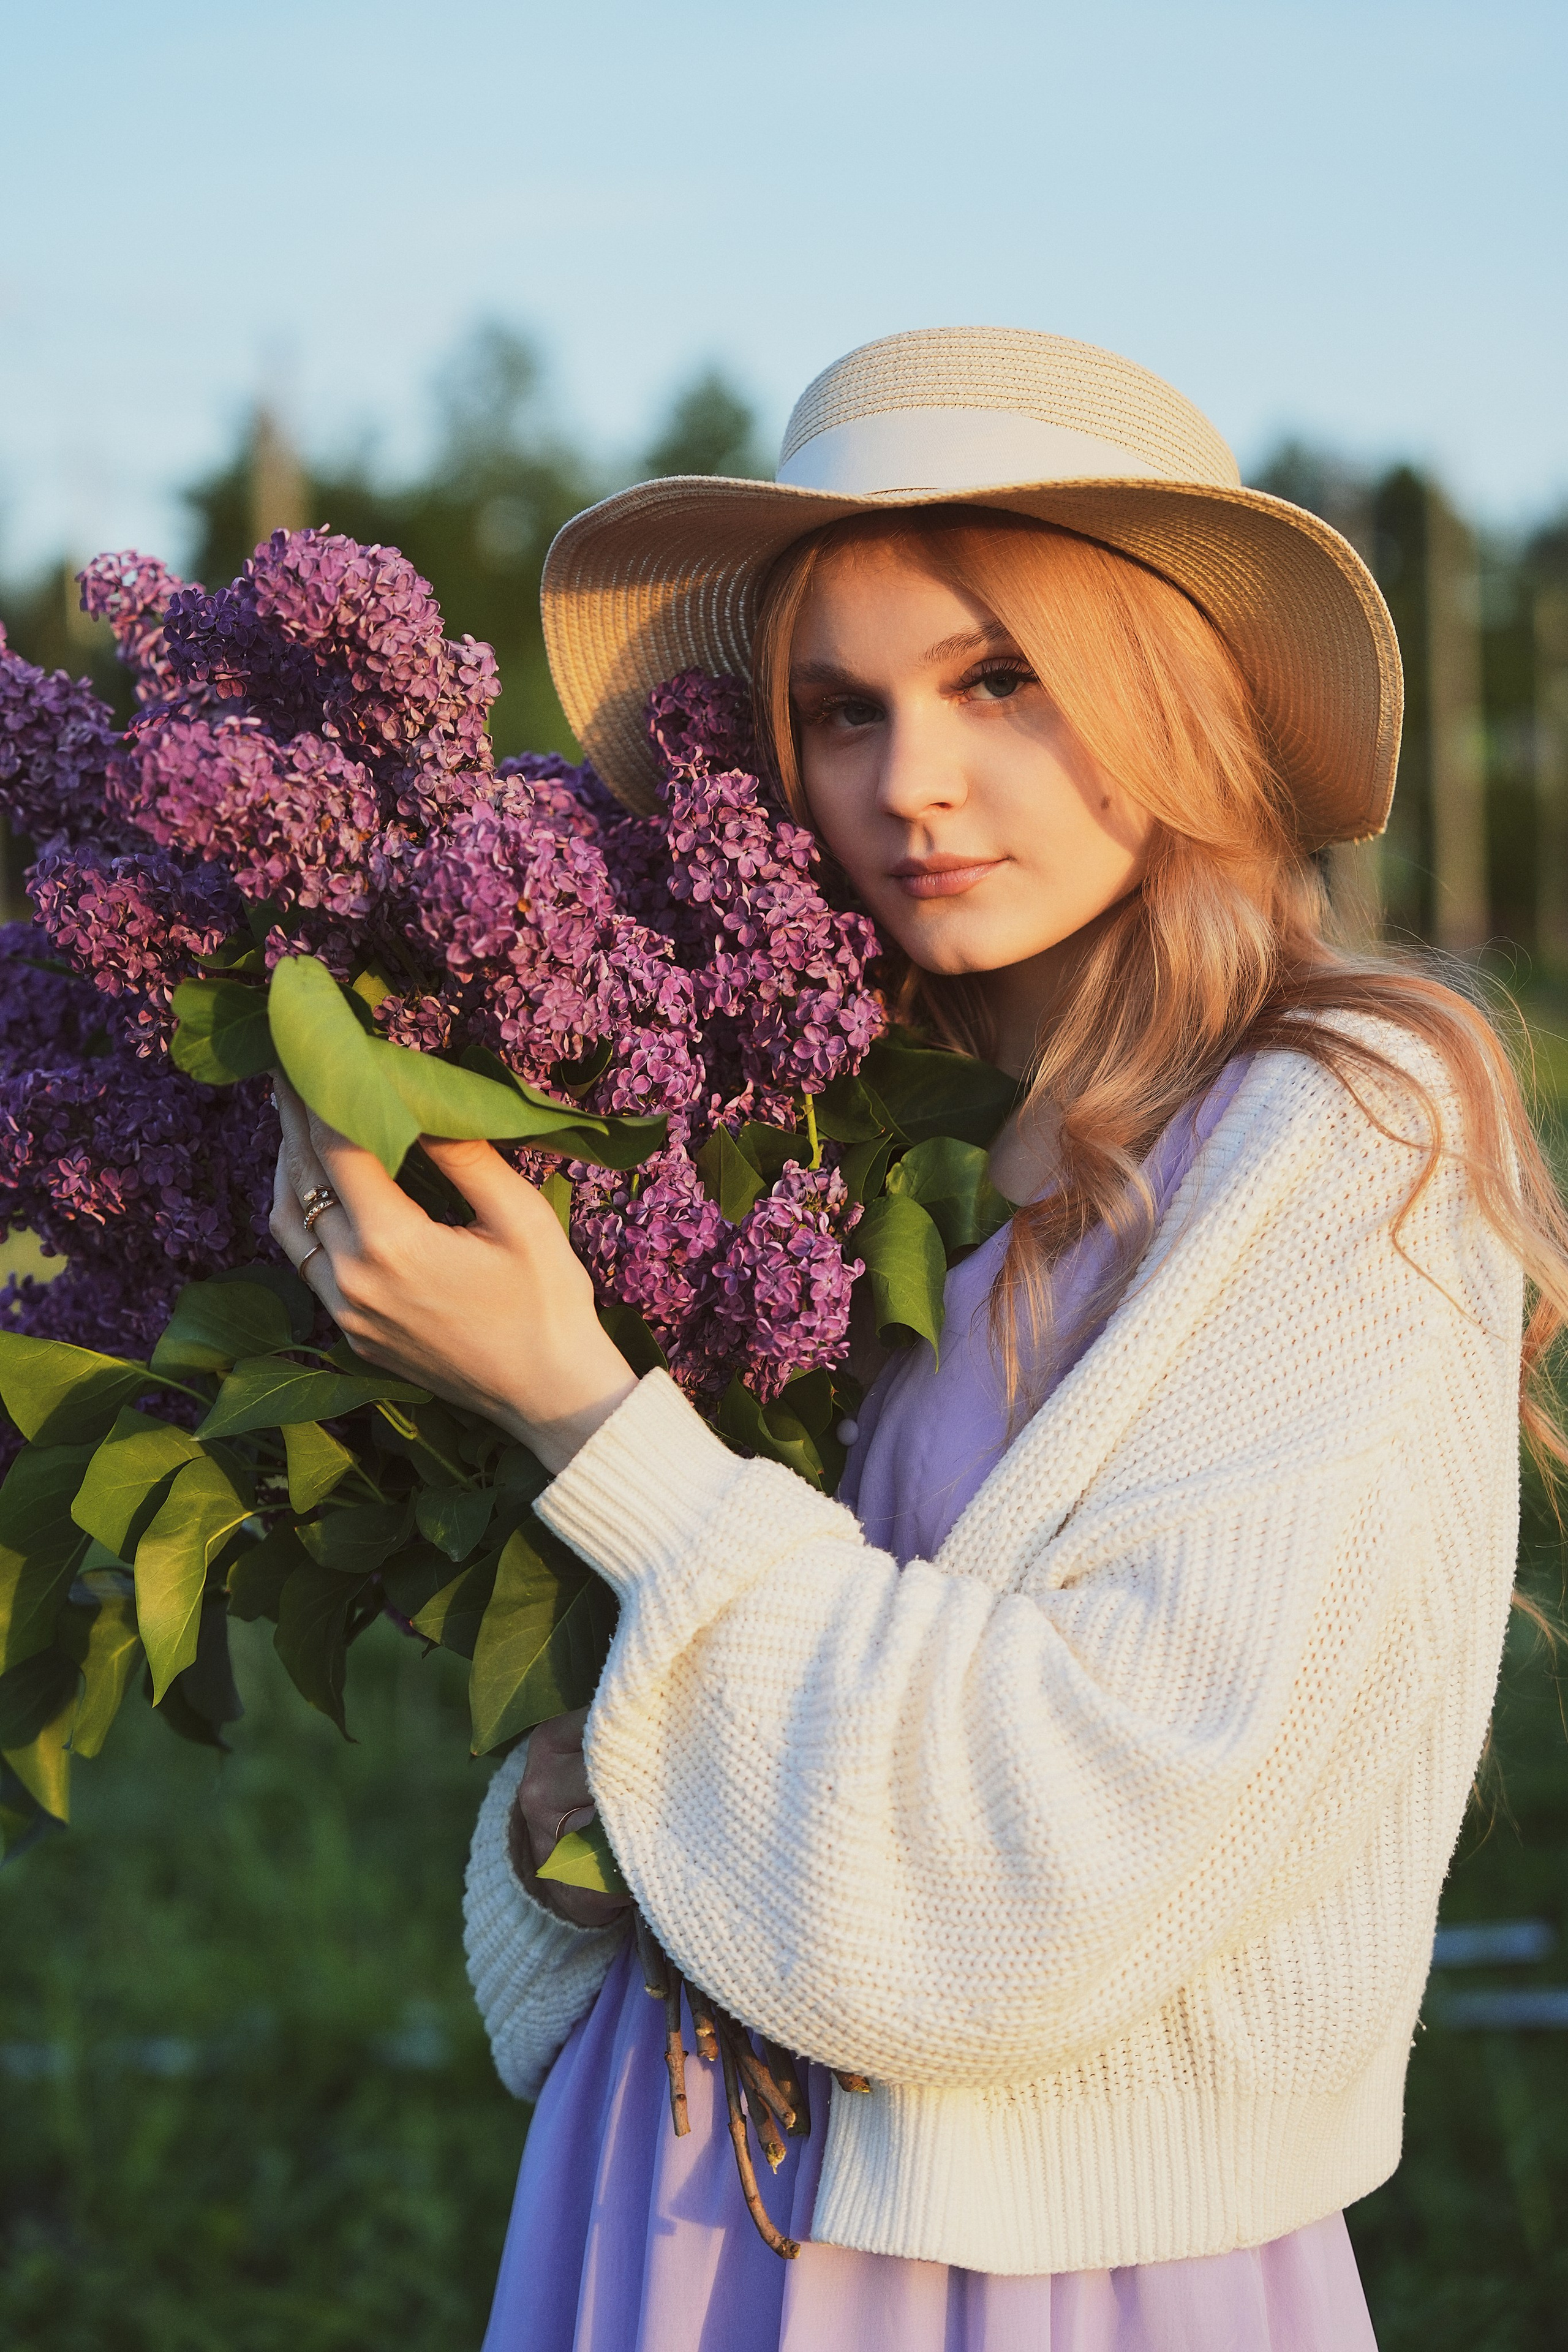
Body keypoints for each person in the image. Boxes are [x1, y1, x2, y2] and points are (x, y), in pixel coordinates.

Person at [270, 328, 1566, 2350]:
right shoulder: (821, 1117)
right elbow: (727, 1662)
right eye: (839, 711)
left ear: (1177, 698)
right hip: (675, 2180)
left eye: (999, 682)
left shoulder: (1339, 1125)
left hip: (1046, 2266)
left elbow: (1098, 1817)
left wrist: (568, 1403)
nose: (909, 784)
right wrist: (571, 1790)